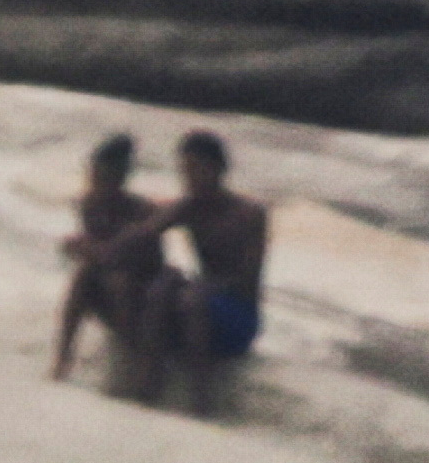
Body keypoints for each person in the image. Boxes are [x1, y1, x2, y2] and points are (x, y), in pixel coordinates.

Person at [49, 132, 178, 389]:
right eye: (95, 173)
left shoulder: (141, 210)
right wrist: (84, 249)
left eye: (105, 175)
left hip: (145, 287)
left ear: (121, 177)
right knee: (84, 276)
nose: (97, 181)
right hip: (108, 278)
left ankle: (133, 367)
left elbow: (134, 258)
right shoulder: (88, 205)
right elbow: (97, 253)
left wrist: (89, 249)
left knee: (119, 281)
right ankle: (63, 357)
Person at [165, 130, 269, 403]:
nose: (189, 178)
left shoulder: (250, 214)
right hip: (203, 299)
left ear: (219, 169)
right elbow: (145, 231)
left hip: (239, 316)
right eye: (184, 171)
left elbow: (248, 281)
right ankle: (143, 385)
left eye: (197, 169)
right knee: (160, 289)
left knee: (193, 299)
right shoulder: (189, 207)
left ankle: (201, 399)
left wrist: (201, 286)